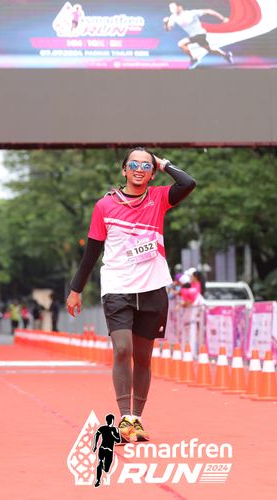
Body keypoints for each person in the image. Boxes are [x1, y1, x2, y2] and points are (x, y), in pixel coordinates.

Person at [66, 147, 196, 443]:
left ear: (152, 173)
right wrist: (76, 290)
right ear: (123, 170)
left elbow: (188, 183)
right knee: (123, 349)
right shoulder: (105, 206)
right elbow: (91, 252)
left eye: (146, 166)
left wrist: (164, 164)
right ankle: (125, 417)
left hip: (152, 288)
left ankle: (136, 419)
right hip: (118, 288)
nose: (139, 169)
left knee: (143, 357)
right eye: (134, 164)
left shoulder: (159, 198)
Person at [163, 2, 233, 69]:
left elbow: (209, 11)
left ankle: (194, 59)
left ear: (179, 7)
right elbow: (168, 29)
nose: (172, 10)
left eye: (173, 7)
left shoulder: (191, 13)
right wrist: (165, 23)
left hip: (200, 34)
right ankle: (226, 55)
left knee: (181, 44)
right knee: (209, 49)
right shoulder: (173, 17)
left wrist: (223, 18)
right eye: (170, 8)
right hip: (194, 36)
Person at [91, 413, 121, 488]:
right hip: (107, 450)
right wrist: (113, 435)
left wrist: (95, 445)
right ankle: (98, 479)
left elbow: (96, 435)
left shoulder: (107, 428)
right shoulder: (111, 429)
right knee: (102, 464)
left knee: (105, 467)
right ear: (112, 420)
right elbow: (118, 440)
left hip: (104, 449)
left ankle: (99, 474)